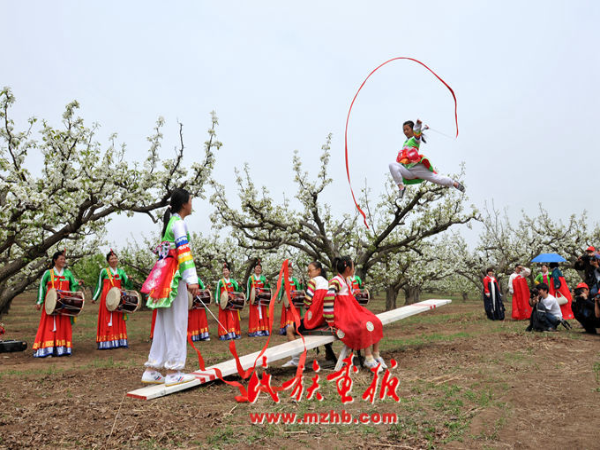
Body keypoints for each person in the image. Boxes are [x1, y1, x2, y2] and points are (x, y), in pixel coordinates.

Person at [140, 188, 200, 386]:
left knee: (164, 324)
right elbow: (183, 251)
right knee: (177, 323)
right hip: (174, 278)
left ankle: (152, 368)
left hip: (163, 277)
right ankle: (174, 370)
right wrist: (191, 279)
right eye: (190, 200)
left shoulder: (170, 223)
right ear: (184, 204)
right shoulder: (179, 223)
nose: (191, 204)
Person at [324, 256, 384, 370]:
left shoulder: (347, 280)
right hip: (343, 315)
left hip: (352, 310)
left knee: (375, 321)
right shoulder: (335, 281)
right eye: (353, 267)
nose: (354, 269)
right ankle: (368, 357)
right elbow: (328, 299)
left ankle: (376, 354)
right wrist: (330, 320)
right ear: (347, 269)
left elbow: (349, 296)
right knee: (363, 325)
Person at [388, 119, 465, 200]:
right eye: (404, 130)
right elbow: (418, 132)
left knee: (437, 179)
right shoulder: (406, 142)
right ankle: (401, 187)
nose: (405, 132)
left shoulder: (416, 139)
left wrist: (418, 124)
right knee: (392, 164)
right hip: (408, 170)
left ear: (412, 129)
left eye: (407, 129)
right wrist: (424, 128)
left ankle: (454, 183)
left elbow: (417, 133)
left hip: (418, 168)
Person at [281, 261, 335, 368]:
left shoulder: (313, 281)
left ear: (318, 270)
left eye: (310, 271)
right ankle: (329, 355)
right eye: (308, 271)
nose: (309, 273)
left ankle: (296, 360)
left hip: (314, 321)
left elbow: (307, 301)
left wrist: (306, 305)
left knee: (289, 329)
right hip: (325, 320)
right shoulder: (328, 283)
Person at [33, 250, 82, 358]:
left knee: (64, 325)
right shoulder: (48, 273)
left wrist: (76, 288)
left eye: (64, 259)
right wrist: (39, 301)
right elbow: (42, 286)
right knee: (49, 325)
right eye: (61, 259)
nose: (63, 261)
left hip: (64, 304)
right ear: (55, 260)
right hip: (50, 304)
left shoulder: (68, 273)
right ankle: (47, 349)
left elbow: (72, 286)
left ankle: (63, 349)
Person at [92, 250, 134, 350]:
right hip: (106, 298)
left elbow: (127, 284)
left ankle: (119, 340)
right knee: (106, 317)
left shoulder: (121, 272)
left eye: (115, 258)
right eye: (111, 259)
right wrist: (94, 297)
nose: (114, 260)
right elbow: (99, 286)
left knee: (118, 316)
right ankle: (106, 342)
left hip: (118, 298)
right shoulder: (104, 271)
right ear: (108, 261)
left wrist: (129, 279)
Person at [215, 263, 242, 340]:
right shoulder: (220, 282)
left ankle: (233, 333)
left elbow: (237, 291)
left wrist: (239, 286)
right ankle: (223, 334)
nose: (225, 272)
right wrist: (217, 300)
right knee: (223, 318)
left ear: (229, 272)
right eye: (223, 270)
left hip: (232, 302)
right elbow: (217, 292)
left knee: (232, 317)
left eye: (226, 270)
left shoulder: (233, 281)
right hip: (223, 303)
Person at [246, 260, 270, 337]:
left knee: (263, 313)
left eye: (259, 268)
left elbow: (266, 289)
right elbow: (248, 288)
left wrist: (267, 284)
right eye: (257, 268)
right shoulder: (251, 278)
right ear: (254, 269)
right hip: (254, 299)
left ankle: (264, 329)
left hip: (262, 299)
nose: (258, 269)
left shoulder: (263, 278)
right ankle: (255, 331)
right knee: (254, 314)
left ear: (261, 270)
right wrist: (248, 298)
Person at [278, 262, 302, 335]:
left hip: (294, 300)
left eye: (291, 270)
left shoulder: (295, 280)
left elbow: (299, 289)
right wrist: (279, 298)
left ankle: (296, 328)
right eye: (288, 270)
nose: (290, 271)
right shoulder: (283, 280)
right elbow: (281, 290)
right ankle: (288, 328)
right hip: (287, 300)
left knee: (295, 314)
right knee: (288, 313)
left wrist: (300, 284)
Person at [187, 276, 210, 342]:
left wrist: (206, 290)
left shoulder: (198, 279)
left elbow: (202, 288)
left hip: (199, 303)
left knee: (201, 318)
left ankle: (203, 335)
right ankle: (192, 336)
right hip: (190, 303)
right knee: (191, 319)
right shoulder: (185, 279)